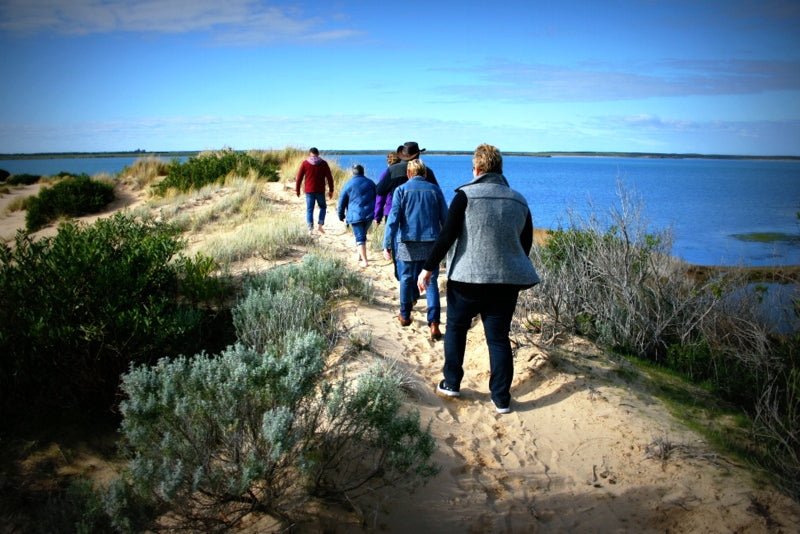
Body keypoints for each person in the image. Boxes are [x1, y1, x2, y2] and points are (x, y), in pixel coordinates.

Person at [417, 143, 540, 414]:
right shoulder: (518, 200)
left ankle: (451, 382)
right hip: (505, 283)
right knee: (498, 338)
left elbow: (447, 235)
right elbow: (525, 243)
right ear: (499, 169)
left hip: (466, 279)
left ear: (477, 168)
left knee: (457, 330)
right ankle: (501, 399)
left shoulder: (465, 195)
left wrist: (428, 268)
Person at [383, 158, 448, 340]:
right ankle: (434, 322)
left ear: (409, 174)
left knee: (405, 279)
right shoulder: (435, 190)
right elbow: (445, 218)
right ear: (425, 174)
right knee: (431, 281)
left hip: (407, 244)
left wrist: (387, 244)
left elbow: (393, 220)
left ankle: (404, 315)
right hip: (431, 244)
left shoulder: (401, 190)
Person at [338, 164, 377, 267]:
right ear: (363, 172)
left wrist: (341, 215)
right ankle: (360, 255)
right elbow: (377, 197)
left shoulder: (348, 184)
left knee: (360, 237)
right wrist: (377, 213)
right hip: (369, 214)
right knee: (362, 235)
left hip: (355, 215)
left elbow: (342, 201)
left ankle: (365, 261)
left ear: (353, 172)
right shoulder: (371, 183)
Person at [295, 147, 334, 234]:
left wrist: (297, 190)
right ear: (318, 154)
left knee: (309, 209)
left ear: (310, 154)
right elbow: (330, 178)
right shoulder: (323, 163)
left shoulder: (305, 163)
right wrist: (331, 190)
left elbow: (299, 178)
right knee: (323, 207)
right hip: (320, 191)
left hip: (309, 191)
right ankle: (320, 226)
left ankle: (310, 229)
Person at [373, 149, 402, 225]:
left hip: (390, 210)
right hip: (405, 210)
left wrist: (377, 216)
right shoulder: (406, 173)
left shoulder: (386, 174)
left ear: (388, 162)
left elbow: (380, 196)